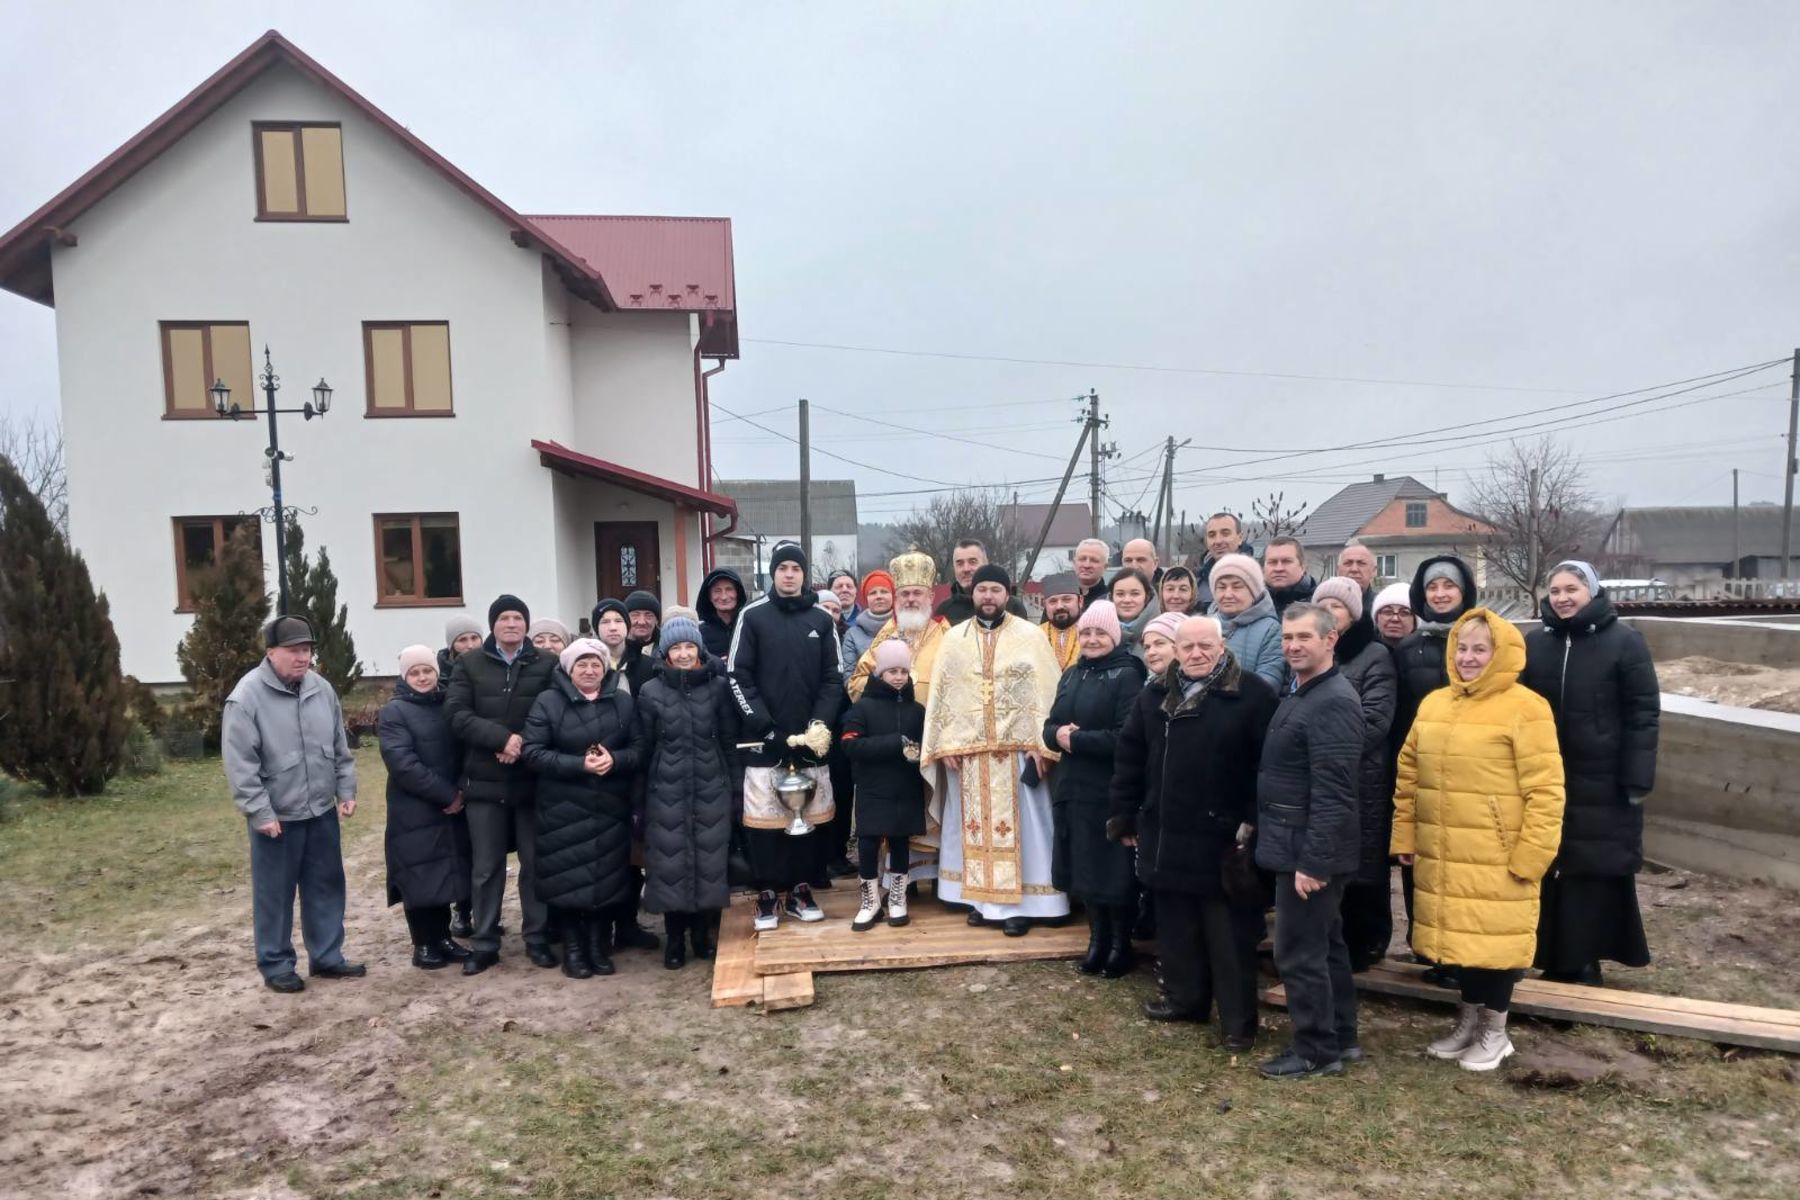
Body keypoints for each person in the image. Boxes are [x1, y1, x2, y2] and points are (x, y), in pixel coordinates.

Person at [1394, 610, 1565, 1071]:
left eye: (1479, 649)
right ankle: (1468, 1024)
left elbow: (1546, 791)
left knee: (1496, 945)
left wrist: (1532, 855)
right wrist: (1405, 835)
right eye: (1462, 649)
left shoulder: (1526, 708)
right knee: (1464, 943)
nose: (1468, 658)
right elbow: (1409, 776)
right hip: (1445, 850)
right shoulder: (1434, 704)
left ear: (1501, 654)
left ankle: (1496, 1032)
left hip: (1498, 853)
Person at [1109, 616, 1277, 1047]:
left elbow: (1267, 768)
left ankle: (1238, 1025)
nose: (1197, 654)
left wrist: (1250, 822)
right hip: (1165, 834)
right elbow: (1130, 758)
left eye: (1206, 645)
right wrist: (1125, 815)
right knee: (1177, 928)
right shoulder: (1155, 694)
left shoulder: (1253, 694)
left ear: (1222, 646)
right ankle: (1186, 1001)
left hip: (1223, 840)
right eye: (1188, 647)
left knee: (1227, 937)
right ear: (1177, 651)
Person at [1522, 560, 1660, 986]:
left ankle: (1586, 960)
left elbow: (1644, 712)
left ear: (1592, 592)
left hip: (1603, 779)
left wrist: (1637, 777)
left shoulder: (1624, 642)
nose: (1562, 598)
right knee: (1550, 865)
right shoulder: (1536, 643)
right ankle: (1553, 955)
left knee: (1592, 868)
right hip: (1548, 774)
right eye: (1556, 590)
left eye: (1571, 589)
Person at [922, 564, 1067, 935]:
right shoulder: (954, 639)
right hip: (968, 755)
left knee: (1027, 827)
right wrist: (943, 744)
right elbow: (943, 695)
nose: (988, 596)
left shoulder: (1031, 636)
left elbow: (1047, 694)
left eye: (995, 590)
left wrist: (1045, 745)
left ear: (1007, 595)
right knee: (971, 827)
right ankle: (979, 898)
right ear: (974, 594)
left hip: (1020, 753)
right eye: (982, 589)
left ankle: (1024, 903)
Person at [222, 615, 362, 993]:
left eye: (308, 650)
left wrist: (346, 790)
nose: (303, 658)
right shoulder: (246, 697)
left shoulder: (321, 689)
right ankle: (276, 963)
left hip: (320, 810)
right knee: (275, 894)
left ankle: (328, 956)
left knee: (327, 884)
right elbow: (240, 764)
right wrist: (260, 812)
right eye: (294, 651)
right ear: (271, 653)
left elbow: (338, 746)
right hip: (277, 817)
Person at [1255, 603, 1364, 1080]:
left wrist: (1314, 862)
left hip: (1309, 850)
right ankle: (1340, 1035)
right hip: (1296, 841)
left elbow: (1335, 790)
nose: (1294, 646)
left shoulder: (1333, 701)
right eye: (1287, 638)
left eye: (1304, 637)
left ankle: (1316, 1049)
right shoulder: (1302, 691)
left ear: (1330, 639)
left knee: (1297, 952)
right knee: (1326, 946)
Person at [728, 542, 844, 931]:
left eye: (796, 568)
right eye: (783, 568)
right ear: (773, 574)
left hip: (810, 743)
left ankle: (799, 890)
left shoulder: (821, 620)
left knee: (807, 819)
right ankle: (766, 894)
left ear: (803, 574)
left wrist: (819, 726)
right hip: (764, 741)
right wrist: (766, 727)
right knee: (764, 823)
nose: (789, 574)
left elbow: (833, 678)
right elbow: (737, 675)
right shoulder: (753, 615)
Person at [445, 594, 559, 975]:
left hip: (531, 781)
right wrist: (500, 739)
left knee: (534, 863)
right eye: (504, 618)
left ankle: (538, 937)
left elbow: (555, 709)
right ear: (493, 625)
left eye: (518, 618)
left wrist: (521, 743)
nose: (511, 624)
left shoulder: (546, 663)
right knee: (486, 867)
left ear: (526, 625)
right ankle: (484, 941)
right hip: (484, 781)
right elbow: (457, 713)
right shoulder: (470, 664)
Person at [521, 638, 639, 980]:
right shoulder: (548, 702)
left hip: (610, 804)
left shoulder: (622, 702)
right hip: (562, 808)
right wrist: (578, 765)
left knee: (607, 878)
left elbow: (640, 747)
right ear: (569, 669)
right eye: (582, 665)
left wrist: (615, 760)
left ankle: (599, 946)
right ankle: (574, 949)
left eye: (596, 664)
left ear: (606, 668)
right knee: (568, 879)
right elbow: (533, 752)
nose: (589, 671)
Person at [1044, 600, 1147, 976]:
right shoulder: (1071, 674)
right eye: (1085, 632)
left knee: (1112, 870)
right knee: (1084, 868)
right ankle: (1096, 939)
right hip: (1073, 786)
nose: (1091, 639)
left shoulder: (1127, 675)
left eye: (1100, 632)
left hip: (1109, 788)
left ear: (1115, 636)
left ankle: (1121, 943)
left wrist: (1077, 740)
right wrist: (1055, 735)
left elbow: (1127, 737)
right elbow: (1050, 725)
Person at [634, 616, 739, 969]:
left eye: (689, 646)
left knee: (709, 862)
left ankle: (702, 936)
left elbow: (727, 740)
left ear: (699, 649)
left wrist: (734, 788)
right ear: (665, 652)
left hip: (711, 783)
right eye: (676, 647)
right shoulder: (650, 691)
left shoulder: (719, 686)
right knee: (669, 864)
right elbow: (643, 748)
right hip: (666, 787)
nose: (683, 654)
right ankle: (675, 939)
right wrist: (641, 798)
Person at [1390, 556, 1477, 973]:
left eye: (1449, 587)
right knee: (1419, 864)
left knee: (1463, 865)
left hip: (1471, 774)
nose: (1440, 595)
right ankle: (1426, 947)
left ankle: (1462, 954)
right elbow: (1401, 715)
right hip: (1421, 771)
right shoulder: (1409, 648)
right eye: (1432, 588)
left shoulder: (1484, 642)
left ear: (1465, 592)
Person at [846, 549, 953, 880]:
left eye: (916, 593)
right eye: (904, 593)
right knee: (892, 812)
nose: (909, 599)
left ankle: (933, 879)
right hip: (891, 743)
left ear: (930, 595)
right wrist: (883, 702)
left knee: (933, 809)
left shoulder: (947, 634)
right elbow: (857, 681)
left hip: (932, 740)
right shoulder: (886, 634)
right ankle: (896, 882)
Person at [1311, 577, 1398, 972]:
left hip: (1362, 774)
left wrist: (1327, 750)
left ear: (1353, 613)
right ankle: (1331, 939)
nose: (1330, 613)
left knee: (1364, 862)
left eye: (1338, 606)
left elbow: (1375, 718)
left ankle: (1368, 940)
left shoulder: (1373, 654)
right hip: (1315, 773)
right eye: (1323, 605)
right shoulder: (1310, 651)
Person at [379, 645, 473, 971]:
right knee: (419, 874)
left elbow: (466, 747)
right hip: (416, 807)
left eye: (427, 671)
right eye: (414, 672)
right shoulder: (395, 712)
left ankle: (443, 937)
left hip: (451, 802)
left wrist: (461, 787)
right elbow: (402, 764)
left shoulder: (448, 703)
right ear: (404, 677)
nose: (422, 677)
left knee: (445, 870)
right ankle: (423, 943)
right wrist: (447, 795)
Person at [842, 638, 928, 931]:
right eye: (892, 671)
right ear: (879, 674)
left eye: (903, 671)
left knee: (900, 840)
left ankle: (897, 897)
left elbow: (926, 745)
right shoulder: (861, 708)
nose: (898, 677)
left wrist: (919, 754)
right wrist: (894, 743)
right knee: (868, 841)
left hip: (905, 785)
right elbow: (850, 746)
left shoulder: (917, 710)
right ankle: (869, 901)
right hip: (872, 786)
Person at [437, 615, 482, 937]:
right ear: (451, 645)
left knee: (484, 851)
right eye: (461, 640)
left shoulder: (485, 670)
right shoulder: (438, 678)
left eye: (473, 639)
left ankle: (482, 909)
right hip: (452, 768)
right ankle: (462, 910)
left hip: (481, 767)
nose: (467, 645)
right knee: (461, 848)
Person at [1208, 554, 1283, 688]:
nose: (1228, 594)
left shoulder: (1270, 629)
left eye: (1237, 587)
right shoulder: (1204, 626)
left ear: (1254, 592)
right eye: (1221, 587)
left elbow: (1269, 681)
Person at [935, 538, 1029, 624]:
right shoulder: (944, 610)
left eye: (972, 562)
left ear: (985, 563)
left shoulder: (1012, 606)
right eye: (960, 563)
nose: (966, 569)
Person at [1191, 512, 1253, 614]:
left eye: (1225, 533)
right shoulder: (1197, 583)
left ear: (1240, 538)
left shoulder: (1256, 580)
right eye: (1212, 535)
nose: (1218, 541)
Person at [841, 567, 896, 679]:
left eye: (884, 591)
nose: (879, 596)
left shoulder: (905, 627)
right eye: (873, 593)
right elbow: (849, 678)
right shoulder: (852, 634)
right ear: (866, 598)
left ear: (893, 596)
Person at [1109, 567, 1161, 661]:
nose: (1127, 600)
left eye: (1135, 594)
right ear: (1111, 597)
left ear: (1147, 597)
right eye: (1120, 594)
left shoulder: (1163, 633)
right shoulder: (1095, 634)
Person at [698, 567, 748, 659]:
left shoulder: (749, 627)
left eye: (729, 589)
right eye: (717, 591)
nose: (724, 597)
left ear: (738, 593)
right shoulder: (699, 633)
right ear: (709, 596)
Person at [1262, 537, 1317, 617]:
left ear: (1303, 567)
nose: (1279, 568)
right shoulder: (1251, 605)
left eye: (1286, 561)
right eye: (1272, 562)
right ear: (1263, 568)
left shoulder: (1320, 603)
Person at [1039, 572, 1084, 671]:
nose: (1059, 606)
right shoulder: (1035, 635)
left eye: (1067, 599)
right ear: (1044, 605)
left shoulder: (1094, 633)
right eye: (1053, 601)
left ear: (1080, 601)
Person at [622, 591, 663, 696]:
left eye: (648, 616)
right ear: (625, 619)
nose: (641, 621)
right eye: (635, 615)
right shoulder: (616, 651)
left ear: (657, 620)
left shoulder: (667, 651)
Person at [438, 614, 483, 683]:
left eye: (474, 638)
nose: (470, 645)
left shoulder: (494, 668)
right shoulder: (440, 676)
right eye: (462, 640)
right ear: (452, 646)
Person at [591, 599, 632, 674]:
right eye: (605, 622)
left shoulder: (646, 664)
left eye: (618, 621)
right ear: (597, 629)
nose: (613, 628)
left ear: (627, 625)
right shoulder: (588, 667)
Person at [1139, 610, 1183, 678]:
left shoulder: (1192, 686)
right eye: (1147, 647)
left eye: (1159, 644)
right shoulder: (1151, 685)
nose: (1151, 653)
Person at [1372, 583, 1415, 649]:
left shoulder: (1426, 654)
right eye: (1387, 612)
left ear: (1415, 621)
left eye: (1404, 613)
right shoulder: (1362, 652)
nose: (1395, 619)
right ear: (1376, 618)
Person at [1072, 538, 1111, 608]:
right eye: (1082, 559)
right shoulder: (1062, 599)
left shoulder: (1111, 599)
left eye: (1094, 560)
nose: (1087, 565)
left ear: (1105, 566)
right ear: (1074, 563)